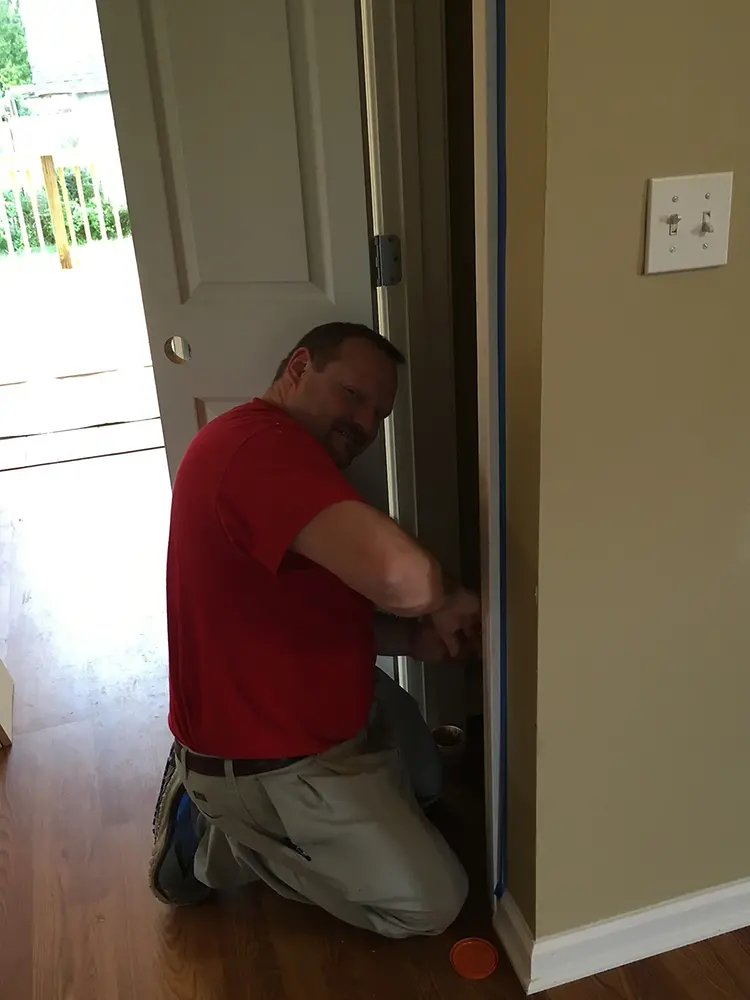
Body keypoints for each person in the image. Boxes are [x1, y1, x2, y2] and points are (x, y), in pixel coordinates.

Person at [148, 321, 481, 939]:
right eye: (353, 395)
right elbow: (405, 579)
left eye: (379, 413)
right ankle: (215, 840)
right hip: (265, 758)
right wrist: (450, 598)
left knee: (430, 786)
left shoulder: (295, 463)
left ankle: (264, 819)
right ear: (299, 367)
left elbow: (314, 613)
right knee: (433, 904)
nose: (365, 424)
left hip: (331, 707)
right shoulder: (255, 449)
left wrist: (413, 642)